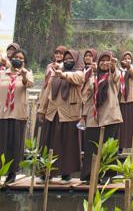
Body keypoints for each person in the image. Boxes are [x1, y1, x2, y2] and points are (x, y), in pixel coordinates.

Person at [0, 49, 33, 184]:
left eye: (21, 58)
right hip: (0, 113)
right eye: (16, 57)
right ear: (11, 59)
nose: (18, 59)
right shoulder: (1, 74)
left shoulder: (27, 74)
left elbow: (29, 84)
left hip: (17, 115)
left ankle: (12, 173)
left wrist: (23, 75)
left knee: (14, 145)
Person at [38, 49, 85, 183]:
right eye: (66, 59)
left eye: (71, 59)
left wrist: (63, 74)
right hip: (53, 113)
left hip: (69, 115)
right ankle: (45, 173)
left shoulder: (79, 73)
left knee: (67, 144)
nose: (68, 61)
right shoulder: (55, 73)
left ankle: (66, 174)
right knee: (48, 143)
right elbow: (47, 92)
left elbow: (77, 79)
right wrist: (42, 109)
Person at [81, 50, 122, 180]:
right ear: (98, 63)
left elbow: (117, 77)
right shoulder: (93, 77)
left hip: (110, 117)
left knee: (108, 147)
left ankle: (107, 175)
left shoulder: (112, 76)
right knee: (91, 145)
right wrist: (84, 115)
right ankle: (90, 174)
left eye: (107, 61)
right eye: (102, 61)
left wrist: (114, 67)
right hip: (94, 116)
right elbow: (87, 98)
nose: (104, 63)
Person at [37, 45, 68, 146]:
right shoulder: (49, 66)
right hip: (45, 92)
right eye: (56, 53)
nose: (58, 55)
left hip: (55, 97)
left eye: (61, 53)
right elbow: (46, 81)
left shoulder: (65, 67)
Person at [117, 51, 133, 150]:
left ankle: (130, 145)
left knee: (129, 124)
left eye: (129, 58)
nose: (127, 60)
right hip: (119, 100)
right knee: (119, 124)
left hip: (129, 99)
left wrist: (128, 67)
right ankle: (119, 146)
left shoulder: (132, 70)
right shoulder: (117, 71)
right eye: (125, 58)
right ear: (121, 60)